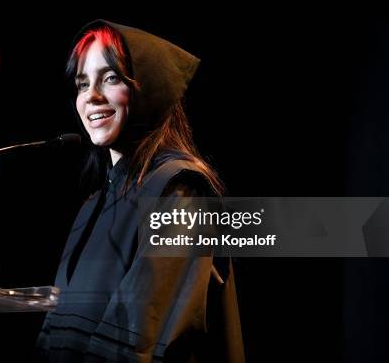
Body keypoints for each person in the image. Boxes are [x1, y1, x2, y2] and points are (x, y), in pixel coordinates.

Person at [35, 20, 244, 362]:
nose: (91, 96)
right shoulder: (95, 204)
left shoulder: (181, 191)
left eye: (111, 78)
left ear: (150, 89)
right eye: (82, 83)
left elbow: (141, 340)